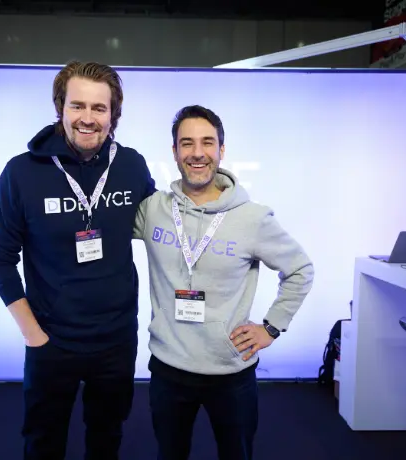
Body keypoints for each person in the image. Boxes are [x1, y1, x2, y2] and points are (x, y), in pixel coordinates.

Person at [0, 61, 156, 460]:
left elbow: (163, 226)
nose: (88, 118)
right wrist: (32, 335)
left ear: (114, 115)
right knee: (43, 443)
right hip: (51, 339)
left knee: (106, 437)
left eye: (100, 108)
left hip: (115, 338)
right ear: (60, 108)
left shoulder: (131, 166)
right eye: (78, 106)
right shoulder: (22, 172)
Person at [133, 105, 314, 460]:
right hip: (169, 368)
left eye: (207, 143)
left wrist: (271, 328)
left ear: (221, 150)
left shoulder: (252, 217)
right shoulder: (153, 209)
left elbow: (300, 270)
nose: (197, 153)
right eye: (187, 144)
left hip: (230, 372)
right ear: (174, 152)